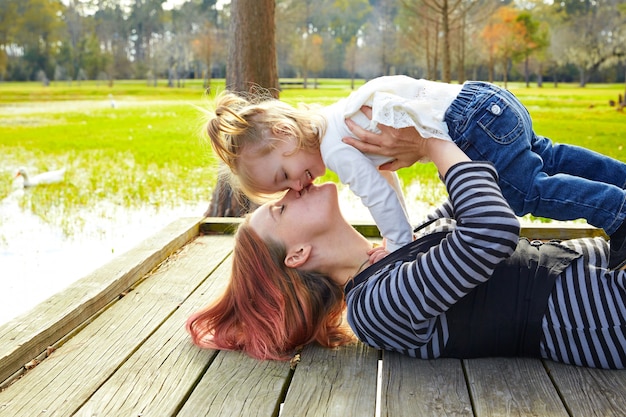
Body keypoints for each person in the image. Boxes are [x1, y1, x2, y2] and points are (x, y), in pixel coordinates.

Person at [187, 124, 626, 370]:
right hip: (608, 313)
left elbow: (483, 188)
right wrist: (434, 144)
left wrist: (404, 142)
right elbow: (491, 232)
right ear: (297, 255)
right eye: (279, 210)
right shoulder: (374, 308)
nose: (290, 193)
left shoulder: (397, 246)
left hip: (605, 267)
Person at [205, 76, 626, 269]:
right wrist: (402, 224)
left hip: (464, 126)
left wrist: (398, 244)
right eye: (285, 191)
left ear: (284, 134)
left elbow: (379, 196)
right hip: (482, 100)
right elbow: (387, 180)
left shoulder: (338, 146)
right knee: (547, 159)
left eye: (284, 177)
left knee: (523, 192)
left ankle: (618, 215)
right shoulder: (338, 116)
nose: (298, 186)